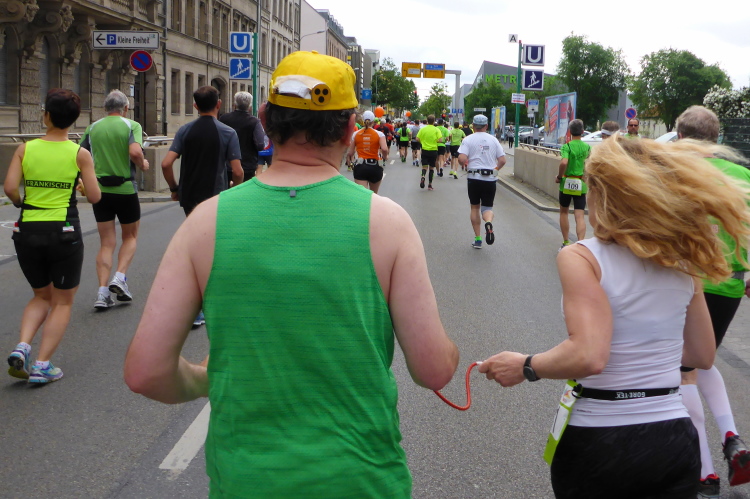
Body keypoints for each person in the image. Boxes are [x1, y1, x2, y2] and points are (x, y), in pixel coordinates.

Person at [124, 50, 459, 498]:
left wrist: (206, 378)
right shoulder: (388, 222)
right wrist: (453, 352)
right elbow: (434, 370)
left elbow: (145, 372)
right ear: (349, 129)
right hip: (361, 481)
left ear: (265, 119)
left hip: (245, 483)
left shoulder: (206, 221)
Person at [479, 136, 750, 499]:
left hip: (601, 437)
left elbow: (590, 355)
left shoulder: (582, 257)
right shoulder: (682, 261)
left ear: (604, 196)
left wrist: (526, 366)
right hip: (673, 437)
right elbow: (702, 355)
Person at [674, 106, 750, 497]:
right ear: (717, 139)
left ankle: (705, 472)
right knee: (704, 359)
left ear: (679, 137)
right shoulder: (743, 175)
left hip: (688, 284)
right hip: (730, 286)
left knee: (683, 370)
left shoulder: (676, 172)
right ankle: (732, 437)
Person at [5, 89, 101, 383]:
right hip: (63, 231)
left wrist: (22, 203)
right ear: (74, 120)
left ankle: (23, 347)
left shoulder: (25, 149)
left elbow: (10, 188)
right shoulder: (79, 154)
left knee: (40, 295)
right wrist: (79, 186)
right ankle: (42, 365)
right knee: (62, 301)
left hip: (28, 229)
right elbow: (95, 196)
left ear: (45, 116)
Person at [161, 85, 242, 326]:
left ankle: (195, 305)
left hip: (189, 196)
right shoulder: (227, 132)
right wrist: (234, 192)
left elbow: (166, 163)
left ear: (195, 106)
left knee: (196, 246)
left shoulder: (185, 131)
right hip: (215, 198)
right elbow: (237, 171)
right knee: (211, 250)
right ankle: (204, 304)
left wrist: (174, 188)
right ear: (219, 104)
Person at [80, 90, 149, 309]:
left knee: (106, 242)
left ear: (105, 108)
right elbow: (135, 152)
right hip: (125, 188)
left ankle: (102, 293)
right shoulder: (131, 125)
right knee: (130, 236)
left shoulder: (93, 128)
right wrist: (143, 164)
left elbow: (79, 155)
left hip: (100, 190)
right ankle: (119, 277)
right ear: (126, 108)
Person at [457, 114, 506, 249]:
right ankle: (488, 222)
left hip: (474, 178)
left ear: (473, 126)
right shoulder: (493, 140)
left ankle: (478, 239)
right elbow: (502, 160)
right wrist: (495, 169)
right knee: (487, 208)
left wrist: (464, 163)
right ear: (486, 126)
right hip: (490, 178)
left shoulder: (468, 139)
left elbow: (461, 158)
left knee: (475, 207)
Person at [556, 119, 591, 250]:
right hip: (580, 182)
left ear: (570, 131)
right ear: (582, 131)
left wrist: (559, 176)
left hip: (566, 182)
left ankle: (566, 242)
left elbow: (564, 162)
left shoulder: (567, 146)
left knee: (564, 212)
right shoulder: (588, 147)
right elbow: (590, 164)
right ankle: (580, 243)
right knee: (580, 215)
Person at [218, 91, 265, 183]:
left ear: (235, 104)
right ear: (250, 106)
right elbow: (260, 145)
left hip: (226, 165)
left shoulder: (224, 118)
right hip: (247, 165)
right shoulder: (254, 122)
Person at [346, 110, 388, 193]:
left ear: (362, 120)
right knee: (374, 195)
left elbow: (350, 152)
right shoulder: (379, 134)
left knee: (362, 194)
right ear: (373, 121)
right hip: (375, 166)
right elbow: (384, 149)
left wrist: (349, 159)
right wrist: (385, 157)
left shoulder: (356, 134)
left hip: (361, 166)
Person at [416, 115, 442, 191]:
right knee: (431, 168)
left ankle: (423, 176)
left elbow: (417, 138)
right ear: (434, 121)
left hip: (424, 150)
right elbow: (440, 140)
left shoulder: (423, 129)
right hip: (433, 150)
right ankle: (430, 184)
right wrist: (434, 141)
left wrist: (423, 141)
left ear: (427, 121)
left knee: (424, 166)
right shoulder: (436, 130)